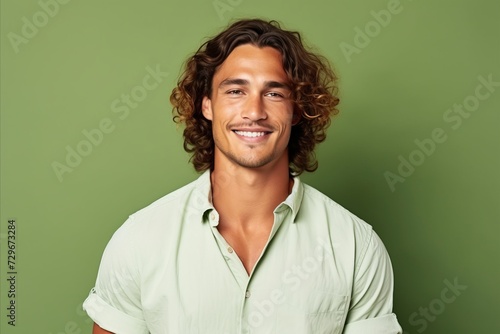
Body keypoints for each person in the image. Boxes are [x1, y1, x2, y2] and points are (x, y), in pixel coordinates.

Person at [83, 18, 403, 334]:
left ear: (296, 110)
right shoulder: (139, 240)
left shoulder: (356, 246)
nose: (254, 111)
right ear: (207, 105)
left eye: (274, 93)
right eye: (236, 90)